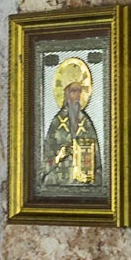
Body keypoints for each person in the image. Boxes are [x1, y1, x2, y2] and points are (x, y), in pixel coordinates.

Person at [40, 56, 101, 189]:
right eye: (74, 91)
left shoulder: (86, 122)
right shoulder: (57, 122)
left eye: (79, 91)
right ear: (66, 94)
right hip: (59, 179)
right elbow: (45, 159)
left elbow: (95, 157)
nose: (77, 95)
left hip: (82, 181)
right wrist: (59, 155)